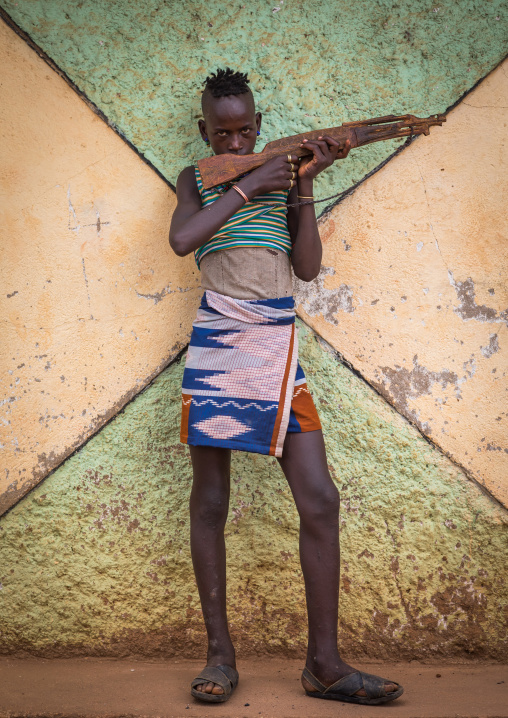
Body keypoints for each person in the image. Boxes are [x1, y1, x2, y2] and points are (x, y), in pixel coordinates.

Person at [169, 68, 403, 706]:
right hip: (220, 344)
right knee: (211, 502)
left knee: (320, 499)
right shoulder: (201, 179)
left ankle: (323, 664)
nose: (236, 144)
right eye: (223, 134)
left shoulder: (281, 178)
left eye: (246, 132)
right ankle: (220, 658)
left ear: (261, 128)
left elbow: (304, 268)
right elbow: (182, 239)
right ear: (204, 133)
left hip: (277, 346)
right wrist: (246, 188)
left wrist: (302, 185)